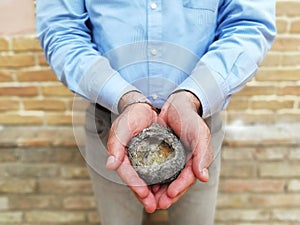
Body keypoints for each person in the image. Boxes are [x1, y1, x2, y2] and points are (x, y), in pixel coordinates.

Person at [36, 1, 276, 224]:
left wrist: (191, 97)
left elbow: (249, 25)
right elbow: (61, 31)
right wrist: (125, 99)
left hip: (197, 125)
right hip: (109, 124)